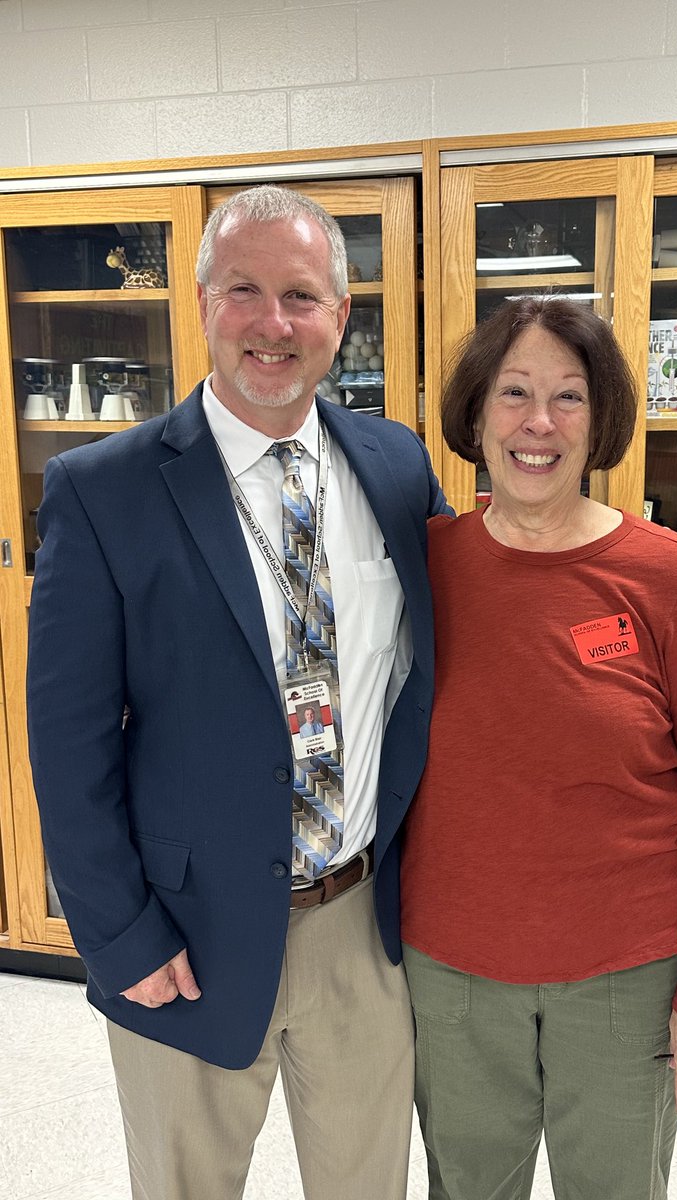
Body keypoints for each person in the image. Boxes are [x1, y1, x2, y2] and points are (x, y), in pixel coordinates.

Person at [26, 184, 450, 1200]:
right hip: (184, 930)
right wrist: (118, 934)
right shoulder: (104, 489)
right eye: (245, 291)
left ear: (341, 317)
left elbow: (435, 671)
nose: (273, 324)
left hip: (361, 924)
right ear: (205, 302)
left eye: (302, 296)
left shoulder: (395, 465)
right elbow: (66, 741)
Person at [400, 296, 677, 1199]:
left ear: (600, 423)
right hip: (452, 973)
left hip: (625, 977)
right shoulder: (426, 565)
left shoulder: (671, 577)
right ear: (475, 415)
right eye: (514, 392)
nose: (539, 423)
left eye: (569, 397)